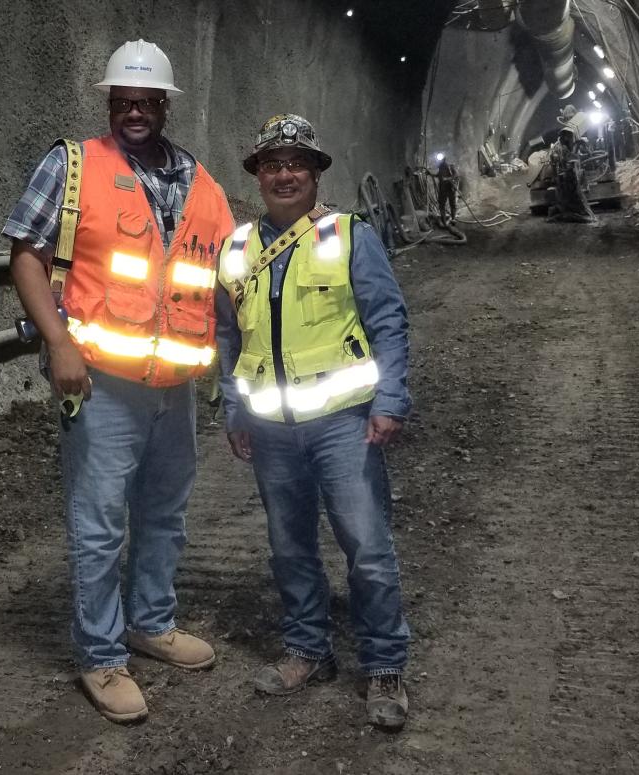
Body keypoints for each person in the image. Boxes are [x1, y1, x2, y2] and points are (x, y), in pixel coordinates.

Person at [3, 39, 235, 724]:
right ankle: (102, 654)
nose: (134, 111)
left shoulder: (202, 184)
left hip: (175, 386)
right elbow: (25, 253)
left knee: (165, 514)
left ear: (164, 105)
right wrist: (58, 339)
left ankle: (150, 622)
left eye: (146, 101)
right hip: (101, 382)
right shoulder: (73, 166)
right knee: (100, 523)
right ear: (110, 104)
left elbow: (226, 277)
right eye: (122, 101)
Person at [214, 114, 413, 731]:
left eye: (295, 163)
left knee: (368, 548)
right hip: (271, 431)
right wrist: (233, 406)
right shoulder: (237, 249)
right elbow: (227, 334)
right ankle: (308, 650)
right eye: (271, 164)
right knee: (289, 546)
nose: (283, 173)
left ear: (315, 172)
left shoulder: (352, 234)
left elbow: (388, 320)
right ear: (258, 175)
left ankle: (383, 665)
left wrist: (390, 400)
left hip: (342, 424)